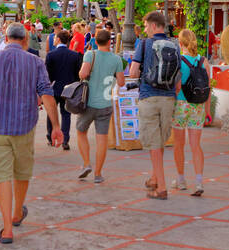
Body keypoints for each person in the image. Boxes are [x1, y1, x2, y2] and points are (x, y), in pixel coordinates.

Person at [0, 22, 63, 245]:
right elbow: (47, 95)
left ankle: (7, 230)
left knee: (2, 177)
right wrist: (56, 127)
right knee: (21, 172)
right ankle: (17, 212)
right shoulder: (35, 62)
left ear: (6, 37)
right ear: (25, 39)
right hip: (24, 127)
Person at [128, 10, 181, 200]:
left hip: (149, 97)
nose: (144, 29)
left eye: (145, 26)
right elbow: (178, 81)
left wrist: (139, 68)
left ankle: (162, 188)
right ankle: (154, 178)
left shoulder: (144, 43)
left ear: (153, 25)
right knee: (159, 143)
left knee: (154, 144)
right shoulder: (175, 45)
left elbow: (133, 72)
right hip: (168, 99)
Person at [76, 28, 125, 182]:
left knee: (81, 131)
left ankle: (86, 164)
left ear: (96, 42)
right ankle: (98, 174)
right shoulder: (116, 59)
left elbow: (83, 74)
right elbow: (122, 82)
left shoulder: (91, 54)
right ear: (110, 42)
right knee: (101, 138)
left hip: (88, 102)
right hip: (105, 103)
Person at [170, 28, 208, 195]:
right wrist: (207, 111)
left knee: (178, 144)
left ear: (180, 43)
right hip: (197, 106)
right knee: (195, 145)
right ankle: (199, 182)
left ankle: (181, 179)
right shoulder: (203, 61)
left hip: (180, 105)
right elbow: (208, 87)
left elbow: (176, 86)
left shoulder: (178, 61)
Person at [45, 32, 82, 150]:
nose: (53, 39)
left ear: (59, 39)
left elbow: (47, 74)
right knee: (66, 114)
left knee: (51, 112)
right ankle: (65, 140)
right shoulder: (75, 55)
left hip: (54, 88)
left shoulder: (51, 55)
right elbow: (78, 74)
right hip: (69, 90)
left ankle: (51, 138)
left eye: (55, 38)